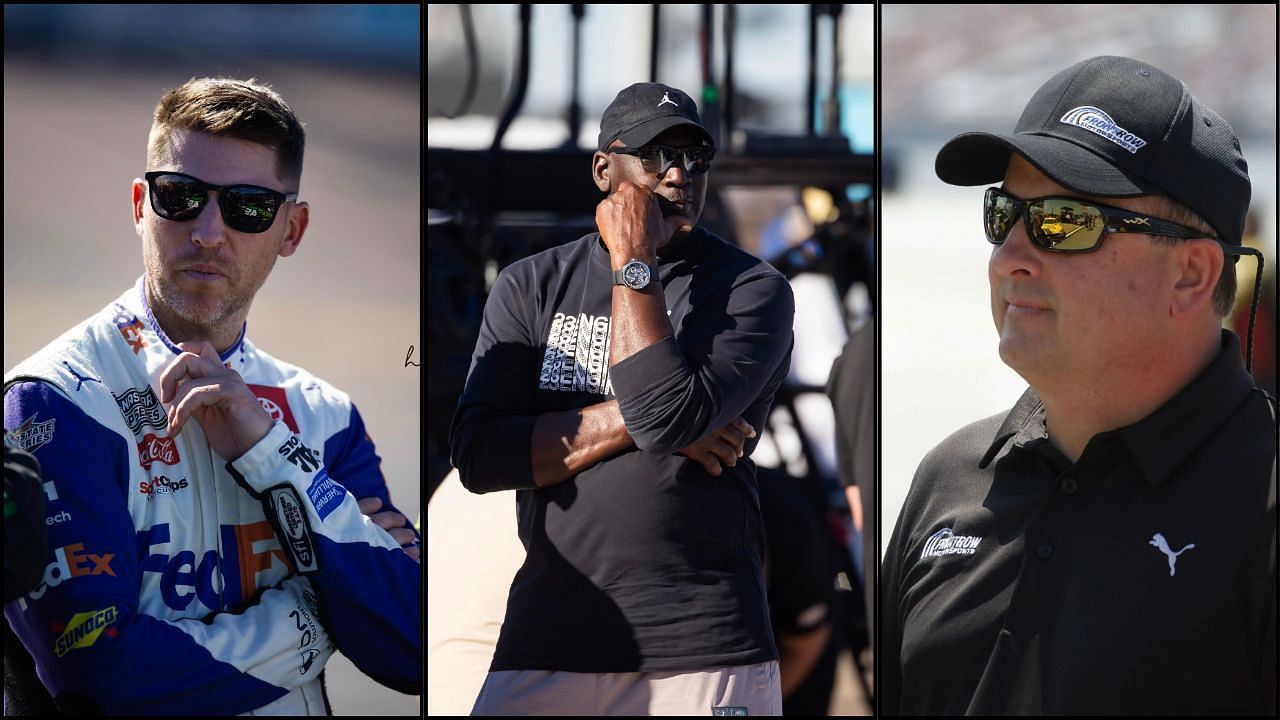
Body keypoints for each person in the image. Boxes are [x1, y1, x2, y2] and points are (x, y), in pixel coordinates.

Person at [2, 77, 421, 715]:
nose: (207, 231)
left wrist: (271, 454)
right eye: (180, 196)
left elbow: (413, 649)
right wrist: (322, 617)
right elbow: (104, 681)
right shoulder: (52, 402)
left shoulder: (323, 416)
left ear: (292, 229)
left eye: (247, 207)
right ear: (141, 205)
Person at [881, 55, 1277, 716]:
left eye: (1065, 221)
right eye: (1004, 213)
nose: (1009, 257)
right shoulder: (948, 480)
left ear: (1191, 275)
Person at [450, 82, 796, 716]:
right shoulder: (530, 284)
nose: (679, 173)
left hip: (701, 644)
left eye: (695, 156)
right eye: (657, 153)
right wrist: (641, 417)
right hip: (547, 637)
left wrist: (633, 259)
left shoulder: (752, 288)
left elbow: (667, 413)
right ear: (604, 169)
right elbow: (480, 456)